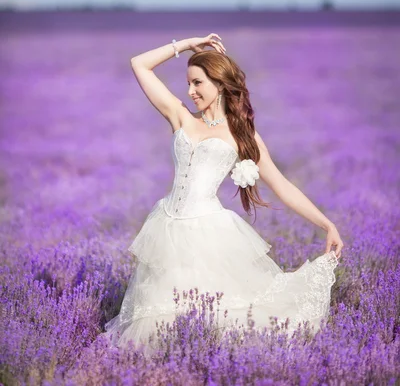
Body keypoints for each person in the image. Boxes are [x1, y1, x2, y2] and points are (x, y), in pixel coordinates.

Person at [104, 33, 343, 354]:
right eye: (188, 83)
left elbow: (282, 185)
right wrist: (186, 45)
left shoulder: (241, 134)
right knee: (160, 318)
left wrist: (327, 224)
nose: (189, 91)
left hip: (208, 232)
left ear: (219, 83)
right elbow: (139, 65)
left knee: (220, 316)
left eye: (197, 83)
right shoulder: (180, 116)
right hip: (167, 228)